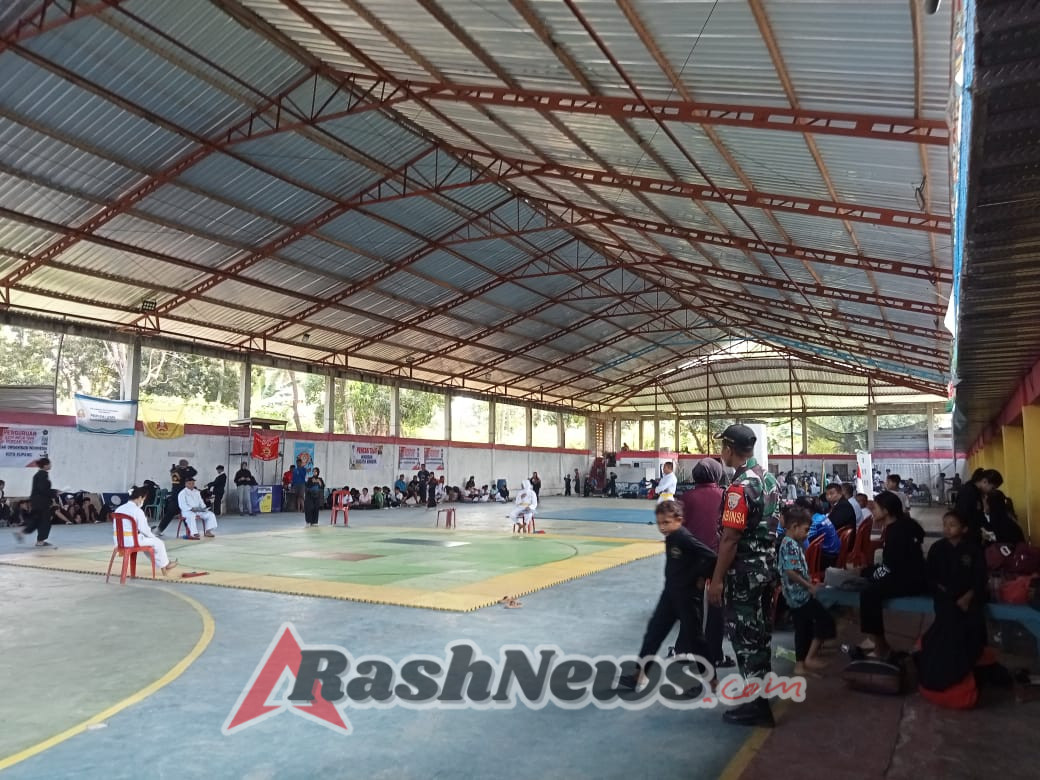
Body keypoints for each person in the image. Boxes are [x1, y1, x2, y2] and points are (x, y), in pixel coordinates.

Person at [707, 424, 780, 727]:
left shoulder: (739, 488)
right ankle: (761, 692)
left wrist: (719, 579)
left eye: (722, 446)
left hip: (745, 574)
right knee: (759, 636)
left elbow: (730, 539)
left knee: (745, 638)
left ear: (729, 449)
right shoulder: (767, 478)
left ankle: (756, 706)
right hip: (766, 570)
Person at [619, 500, 717, 694]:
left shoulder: (683, 537)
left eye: (666, 522)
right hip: (670, 594)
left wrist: (701, 577)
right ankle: (639, 675)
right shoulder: (671, 537)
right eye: (659, 523)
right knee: (653, 633)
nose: (662, 527)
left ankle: (711, 680)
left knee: (695, 640)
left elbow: (711, 556)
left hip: (687, 597)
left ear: (679, 520)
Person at [916, 509, 987, 696]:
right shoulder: (938, 548)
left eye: (952, 525)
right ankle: (944, 666)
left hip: (969, 596)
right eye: (945, 525)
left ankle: (970, 666)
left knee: (972, 623)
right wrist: (943, 591)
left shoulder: (973, 550)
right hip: (944, 596)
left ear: (964, 529)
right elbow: (930, 576)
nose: (947, 529)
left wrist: (969, 595)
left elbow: (981, 577)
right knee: (948, 621)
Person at [856, 491, 926, 659]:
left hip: (910, 580)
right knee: (868, 581)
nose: (872, 511)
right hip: (909, 574)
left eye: (876, 508)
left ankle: (880, 646)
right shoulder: (901, 525)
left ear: (886, 511)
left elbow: (890, 568)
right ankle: (875, 640)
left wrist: (867, 575)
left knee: (868, 594)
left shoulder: (897, 532)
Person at [680, 458, 734, 670]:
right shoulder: (725, 495)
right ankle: (714, 655)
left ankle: (684, 650)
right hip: (717, 559)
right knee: (715, 608)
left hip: (691, 560)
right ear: (717, 474)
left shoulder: (685, 498)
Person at [777, 505, 835, 676]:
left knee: (804, 629)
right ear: (794, 527)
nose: (808, 533)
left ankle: (801, 664)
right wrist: (809, 586)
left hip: (801, 594)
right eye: (806, 530)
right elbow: (790, 571)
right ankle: (808, 659)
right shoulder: (789, 545)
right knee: (823, 621)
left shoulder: (793, 543)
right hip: (798, 596)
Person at [113, 486, 178, 575]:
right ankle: (166, 565)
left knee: (150, 545)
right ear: (140, 498)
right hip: (131, 541)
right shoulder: (137, 511)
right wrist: (154, 537)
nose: (143, 501)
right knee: (158, 543)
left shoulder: (119, 509)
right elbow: (145, 530)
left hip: (119, 541)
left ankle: (164, 565)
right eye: (143, 499)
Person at [15, 457, 56, 547]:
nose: (50, 465)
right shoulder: (43, 475)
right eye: (49, 464)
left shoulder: (38, 474)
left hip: (36, 502)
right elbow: (43, 489)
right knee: (45, 521)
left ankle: (22, 532)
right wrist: (55, 492)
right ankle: (40, 541)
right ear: (45, 465)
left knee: (37, 520)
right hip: (42, 503)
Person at [158, 459, 196, 535]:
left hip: (175, 495)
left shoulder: (175, 471)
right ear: (186, 465)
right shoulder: (183, 472)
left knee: (170, 514)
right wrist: (189, 467)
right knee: (186, 512)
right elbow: (194, 472)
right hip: (181, 495)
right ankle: (191, 531)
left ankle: (159, 530)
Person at [808, 499, 842, 570]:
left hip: (827, 558)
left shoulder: (815, 521)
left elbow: (802, 537)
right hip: (834, 553)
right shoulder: (823, 517)